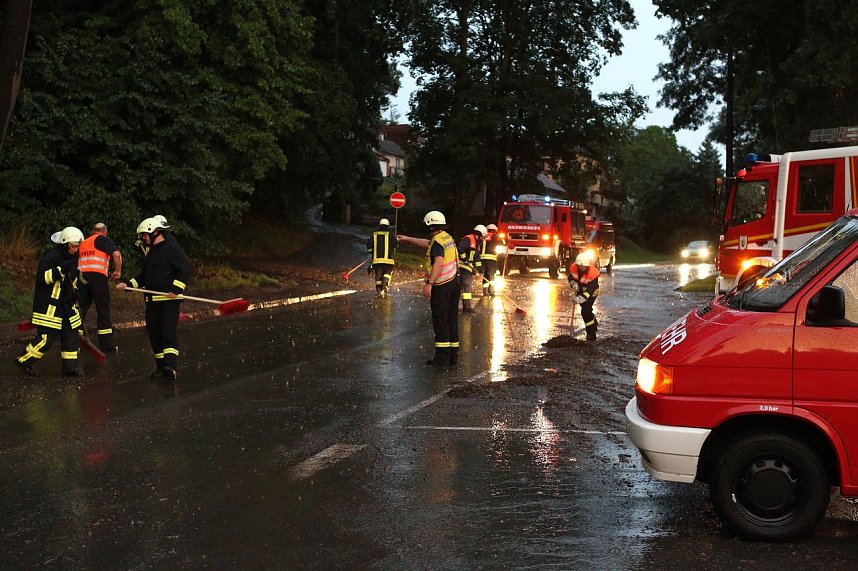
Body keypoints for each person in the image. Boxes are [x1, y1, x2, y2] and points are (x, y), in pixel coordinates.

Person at [118, 217, 192, 381]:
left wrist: (176, 288)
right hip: (152, 302)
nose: (143, 238)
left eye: (145, 235)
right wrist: (129, 284)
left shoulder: (171, 248)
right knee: (154, 335)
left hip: (168, 300)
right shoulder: (151, 252)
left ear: (154, 232)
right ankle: (161, 367)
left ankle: (170, 367)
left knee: (167, 332)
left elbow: (185, 268)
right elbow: (144, 276)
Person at [14, 227, 85, 377]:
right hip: (49, 307)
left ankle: (69, 368)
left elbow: (74, 279)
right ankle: (23, 360)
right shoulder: (51, 257)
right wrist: (60, 270)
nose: (76, 249)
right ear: (65, 244)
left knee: (71, 335)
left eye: (78, 246)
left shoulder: (73, 258)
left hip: (66, 306)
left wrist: (75, 291)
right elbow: (42, 278)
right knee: (47, 338)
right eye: (73, 246)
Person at [397, 211, 460, 365]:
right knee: (451, 319)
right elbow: (428, 244)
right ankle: (453, 355)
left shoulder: (438, 242)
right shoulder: (446, 238)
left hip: (441, 285)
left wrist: (429, 283)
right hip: (454, 283)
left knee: (440, 320)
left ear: (430, 224)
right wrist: (409, 239)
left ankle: (442, 357)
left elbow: (438, 262)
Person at [77, 222, 123, 353]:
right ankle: (106, 346)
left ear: (92, 231)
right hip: (98, 278)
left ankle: (74, 344)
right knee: (103, 309)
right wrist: (118, 271)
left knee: (81, 310)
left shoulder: (84, 242)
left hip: (82, 278)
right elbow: (116, 254)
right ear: (104, 231)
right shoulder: (103, 239)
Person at [568, 251, 601, 340]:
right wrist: (573, 283)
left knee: (586, 311)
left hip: (591, 294)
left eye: (584, 266)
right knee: (586, 312)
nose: (582, 268)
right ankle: (593, 322)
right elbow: (570, 277)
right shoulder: (574, 268)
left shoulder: (593, 274)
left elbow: (590, 290)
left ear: (587, 266)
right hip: (580, 291)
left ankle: (591, 332)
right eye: (580, 266)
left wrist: (579, 299)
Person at [366, 218, 398, 298]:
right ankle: (385, 282)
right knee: (388, 272)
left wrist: (372, 252)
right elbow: (395, 245)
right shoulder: (390, 234)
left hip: (377, 261)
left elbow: (369, 246)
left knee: (378, 275)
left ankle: (379, 290)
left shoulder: (374, 234)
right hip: (388, 260)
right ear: (388, 226)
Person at [458, 224, 486, 313]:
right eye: (483, 236)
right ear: (480, 234)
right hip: (462, 266)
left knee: (466, 287)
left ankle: (466, 307)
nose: (483, 238)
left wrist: (480, 269)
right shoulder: (469, 239)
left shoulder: (477, 244)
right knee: (466, 286)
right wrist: (465, 258)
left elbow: (477, 258)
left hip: (468, 268)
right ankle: (467, 307)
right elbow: (460, 248)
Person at [480, 223, 500, 297]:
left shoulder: (483, 236)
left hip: (482, 259)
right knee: (491, 275)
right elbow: (504, 242)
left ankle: (485, 291)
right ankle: (491, 290)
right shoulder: (495, 236)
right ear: (495, 231)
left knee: (485, 275)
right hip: (491, 259)